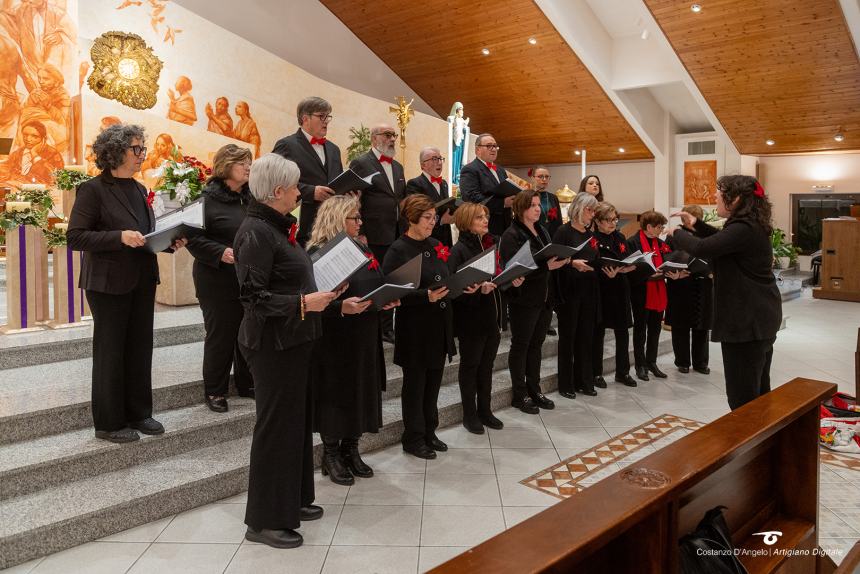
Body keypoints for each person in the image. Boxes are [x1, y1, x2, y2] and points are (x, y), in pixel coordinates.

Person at [234, 153, 340, 549]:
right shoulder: (254, 232)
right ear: (278, 192)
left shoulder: (276, 228)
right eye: (296, 186)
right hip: (272, 345)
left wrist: (323, 293)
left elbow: (287, 278)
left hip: (295, 340)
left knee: (295, 424)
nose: (300, 192)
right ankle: (263, 520)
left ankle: (293, 499)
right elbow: (251, 297)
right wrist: (302, 304)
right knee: (276, 428)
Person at [67, 124, 186, 443]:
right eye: (137, 149)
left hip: (141, 278)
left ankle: (139, 413)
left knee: (139, 347)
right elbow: (75, 237)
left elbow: (144, 234)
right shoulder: (93, 190)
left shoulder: (136, 188)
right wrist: (119, 237)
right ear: (116, 151)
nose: (142, 155)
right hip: (107, 284)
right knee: (111, 351)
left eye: (142, 149)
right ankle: (108, 422)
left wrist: (168, 241)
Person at [668, 175, 781, 410]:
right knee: (758, 391)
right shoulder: (748, 225)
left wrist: (676, 234)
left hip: (746, 321)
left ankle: (750, 442)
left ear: (736, 199)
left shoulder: (743, 228)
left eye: (719, 194)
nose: (714, 198)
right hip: (758, 317)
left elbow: (702, 248)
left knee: (743, 399)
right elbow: (721, 242)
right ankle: (762, 441)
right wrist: (696, 225)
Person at [307, 195, 399, 485]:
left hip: (364, 332)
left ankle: (351, 448)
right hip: (335, 337)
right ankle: (331, 454)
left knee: (361, 389)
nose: (360, 223)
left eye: (360, 218)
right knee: (337, 394)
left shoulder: (362, 248)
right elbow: (312, 301)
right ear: (336, 219)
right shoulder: (317, 253)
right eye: (354, 218)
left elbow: (375, 281)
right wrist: (341, 307)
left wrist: (384, 300)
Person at [382, 194, 459, 459]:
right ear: (412, 218)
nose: (432, 222)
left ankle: (429, 431)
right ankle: (413, 437)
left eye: (434, 217)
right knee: (415, 385)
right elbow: (392, 292)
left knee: (433, 383)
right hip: (415, 327)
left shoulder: (437, 243)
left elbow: (446, 275)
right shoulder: (398, 250)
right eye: (427, 218)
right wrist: (424, 296)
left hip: (438, 324)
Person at [186, 144, 255, 413]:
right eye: (243, 163)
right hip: (216, 277)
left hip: (247, 276)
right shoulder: (205, 200)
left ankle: (247, 383)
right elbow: (192, 239)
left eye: (249, 162)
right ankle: (215, 390)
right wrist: (220, 252)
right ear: (226, 166)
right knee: (222, 333)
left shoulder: (251, 198)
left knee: (247, 331)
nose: (249, 167)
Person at [500, 190, 568, 413]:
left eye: (539, 205)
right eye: (533, 206)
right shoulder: (512, 235)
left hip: (545, 296)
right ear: (521, 209)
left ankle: (535, 389)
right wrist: (546, 267)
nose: (538, 209)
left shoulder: (542, 230)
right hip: (525, 298)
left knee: (536, 346)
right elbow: (515, 269)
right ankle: (520, 395)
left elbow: (545, 259)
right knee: (521, 346)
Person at [448, 202, 505, 434]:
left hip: (490, 315)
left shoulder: (488, 245)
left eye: (486, 216)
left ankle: (485, 410)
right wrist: (473, 291)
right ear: (466, 222)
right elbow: (453, 290)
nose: (485, 220)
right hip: (470, 318)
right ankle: (469, 414)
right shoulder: (459, 251)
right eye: (480, 217)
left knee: (487, 365)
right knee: (470, 366)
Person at [351, 123, 406, 344]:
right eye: (387, 135)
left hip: (396, 232)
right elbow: (354, 200)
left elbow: (399, 199)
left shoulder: (399, 167)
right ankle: (373, 325)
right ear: (374, 139)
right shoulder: (361, 163)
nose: (392, 138)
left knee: (391, 278)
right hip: (373, 233)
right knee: (374, 281)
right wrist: (360, 231)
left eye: (394, 135)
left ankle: (386, 326)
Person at [271, 96, 342, 245]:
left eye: (328, 116)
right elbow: (275, 181)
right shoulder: (286, 145)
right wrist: (311, 192)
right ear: (305, 118)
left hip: (332, 226)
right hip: (302, 225)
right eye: (321, 116)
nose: (326, 121)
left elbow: (337, 180)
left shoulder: (334, 149)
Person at [553, 192, 601, 398]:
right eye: (590, 210)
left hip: (589, 290)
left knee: (586, 337)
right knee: (568, 338)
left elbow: (595, 257)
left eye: (594, 210)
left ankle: (585, 380)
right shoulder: (563, 231)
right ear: (579, 209)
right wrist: (573, 263)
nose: (592, 214)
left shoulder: (590, 234)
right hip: (569, 291)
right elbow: (554, 262)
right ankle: (566, 383)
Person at [665, 205, 713, 375]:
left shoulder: (705, 235)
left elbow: (713, 256)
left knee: (701, 326)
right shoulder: (674, 235)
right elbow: (667, 256)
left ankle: (700, 362)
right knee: (680, 325)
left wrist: (710, 271)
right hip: (680, 283)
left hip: (702, 284)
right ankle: (682, 361)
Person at [592, 202, 637, 387]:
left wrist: (629, 267)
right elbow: (592, 263)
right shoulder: (592, 239)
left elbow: (626, 258)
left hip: (619, 287)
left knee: (622, 332)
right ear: (597, 221)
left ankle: (622, 372)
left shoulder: (619, 236)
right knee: (598, 333)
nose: (613, 223)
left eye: (615, 219)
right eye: (608, 220)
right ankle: (596, 373)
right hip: (601, 289)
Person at [627, 210, 671, 381]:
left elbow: (666, 260)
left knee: (655, 328)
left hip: (659, 289)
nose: (661, 230)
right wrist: (647, 275)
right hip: (641, 291)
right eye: (659, 227)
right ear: (649, 227)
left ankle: (651, 362)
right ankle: (640, 365)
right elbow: (630, 270)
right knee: (640, 330)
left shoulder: (660, 243)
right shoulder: (633, 242)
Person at [460, 133, 513, 237]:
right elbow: (471, 198)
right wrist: (502, 203)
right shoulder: (470, 169)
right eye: (489, 146)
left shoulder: (501, 170)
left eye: (495, 146)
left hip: (505, 226)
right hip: (484, 227)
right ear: (477, 150)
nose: (493, 149)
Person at [405, 146, 453, 246]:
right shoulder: (414, 184)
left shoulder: (444, 183)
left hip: (445, 237)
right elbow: (416, 214)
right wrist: (441, 220)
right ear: (423, 165)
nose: (439, 162)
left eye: (440, 159)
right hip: (427, 238)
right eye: (434, 159)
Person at [0, 119, 63, 186]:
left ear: (43, 138)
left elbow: (53, 178)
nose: (28, 139)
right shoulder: (18, 153)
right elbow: (6, 168)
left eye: (34, 136)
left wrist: (35, 155)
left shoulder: (52, 154)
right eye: (25, 135)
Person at [532, 166, 562, 238]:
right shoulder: (528, 197)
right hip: (535, 236)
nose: (544, 179)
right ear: (533, 178)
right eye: (540, 176)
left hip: (552, 237)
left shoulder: (553, 197)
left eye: (547, 176)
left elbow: (559, 221)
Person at [448, 102, 469, 185]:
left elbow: (465, 130)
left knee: (459, 161)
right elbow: (450, 129)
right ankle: (453, 178)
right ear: (456, 110)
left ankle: (457, 177)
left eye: (462, 109)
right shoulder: (451, 118)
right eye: (461, 109)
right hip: (454, 143)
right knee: (454, 160)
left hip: (460, 143)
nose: (462, 111)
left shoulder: (462, 120)